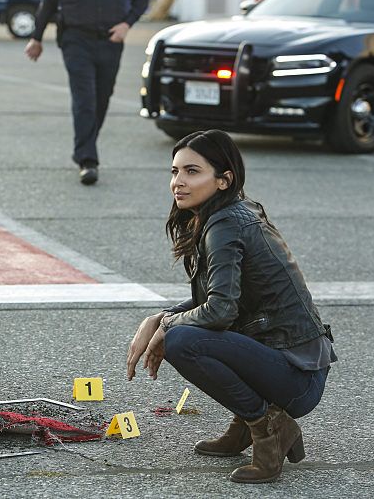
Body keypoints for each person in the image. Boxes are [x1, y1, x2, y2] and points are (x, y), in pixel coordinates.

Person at [126, 130, 337, 484]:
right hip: (288, 365)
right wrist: (162, 316)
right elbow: (227, 299)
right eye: (174, 171)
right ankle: (243, 426)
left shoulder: (225, 224)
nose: (178, 182)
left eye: (192, 172)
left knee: (183, 341)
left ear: (225, 180)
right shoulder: (228, 213)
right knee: (183, 330)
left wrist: (167, 326)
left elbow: (221, 310)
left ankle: (269, 429)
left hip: (297, 377)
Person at [24, 0, 149, 186]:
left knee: (102, 98)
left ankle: (85, 145)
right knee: (85, 99)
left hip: (111, 42)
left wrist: (126, 24)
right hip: (76, 41)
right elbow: (49, 1)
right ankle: (87, 160)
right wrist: (37, 38)